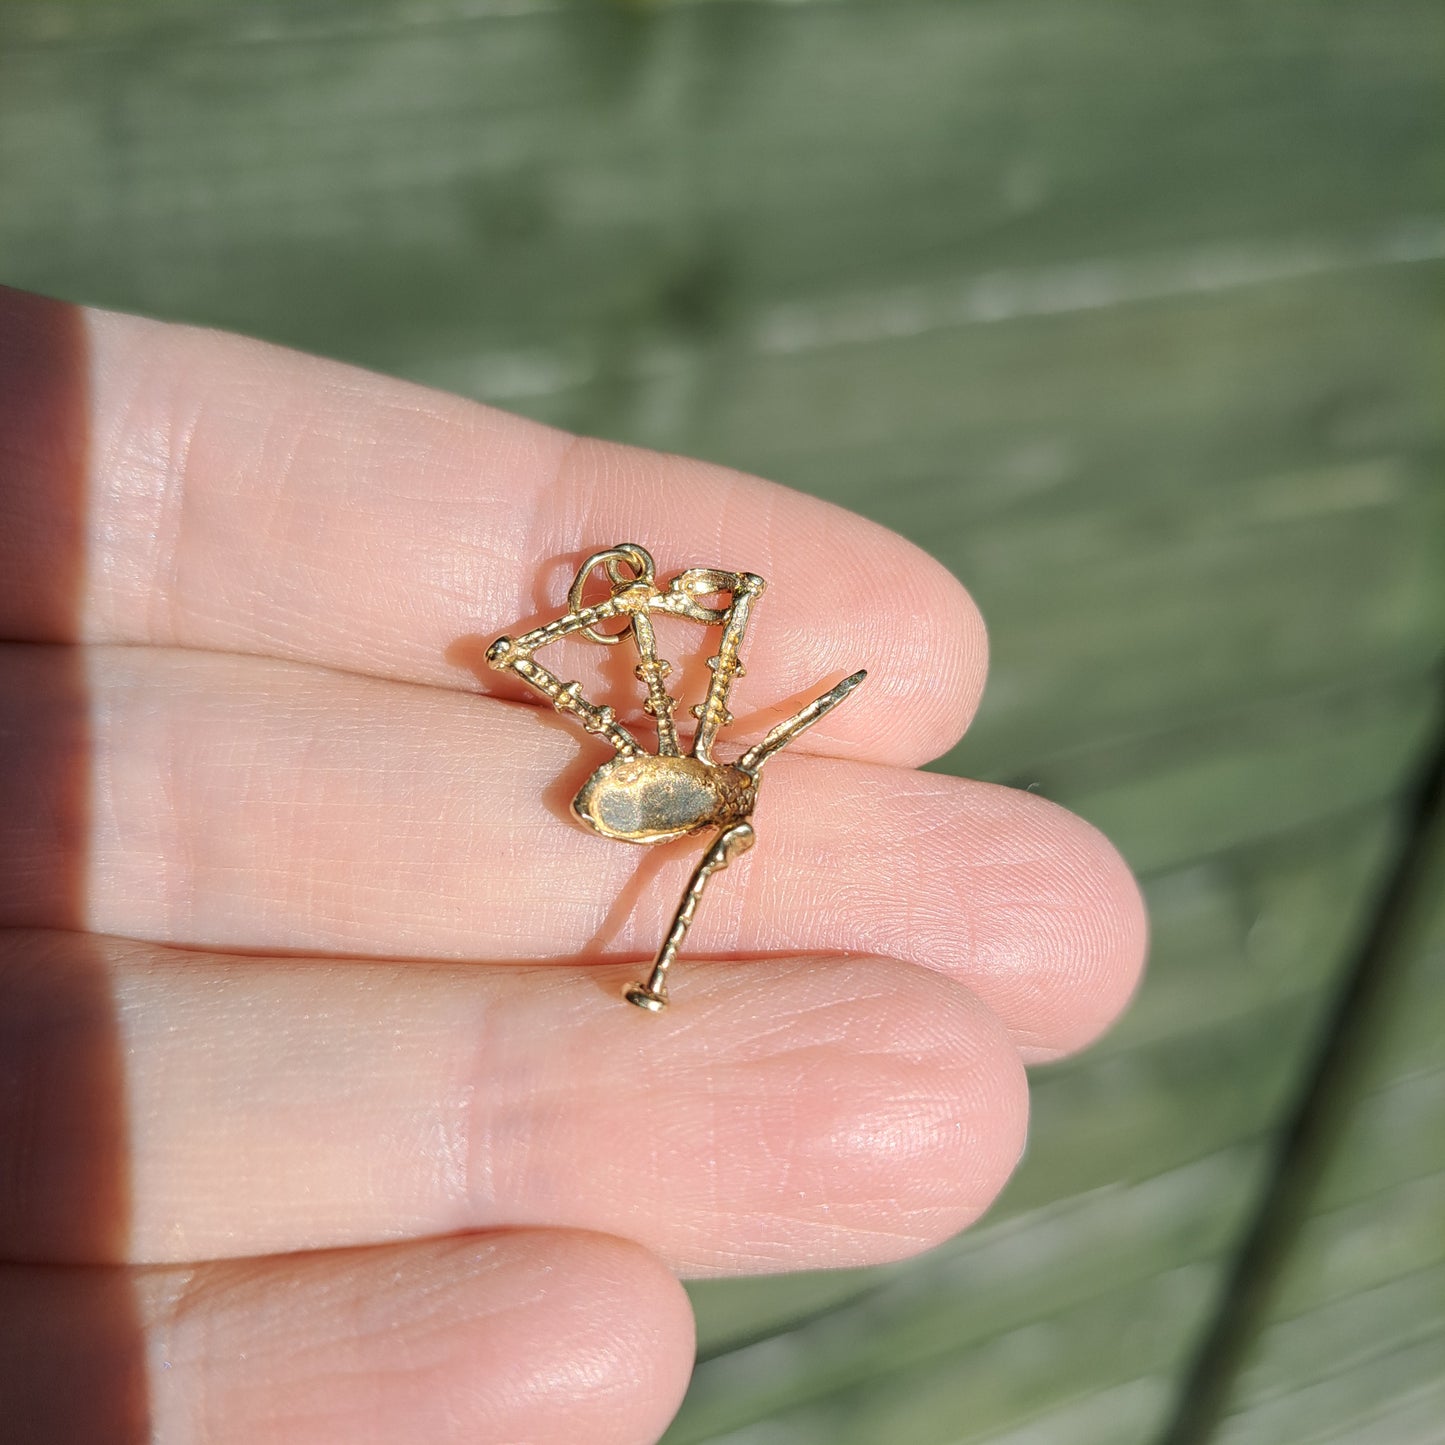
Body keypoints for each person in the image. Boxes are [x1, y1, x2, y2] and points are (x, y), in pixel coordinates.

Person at [0, 286, 1146, 1445]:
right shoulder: (697, 757)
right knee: (666, 703)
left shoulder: (705, 782)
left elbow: (703, 820)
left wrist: (667, 646)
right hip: (646, 777)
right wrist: (653, 620)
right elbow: (697, 788)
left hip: (655, 782)